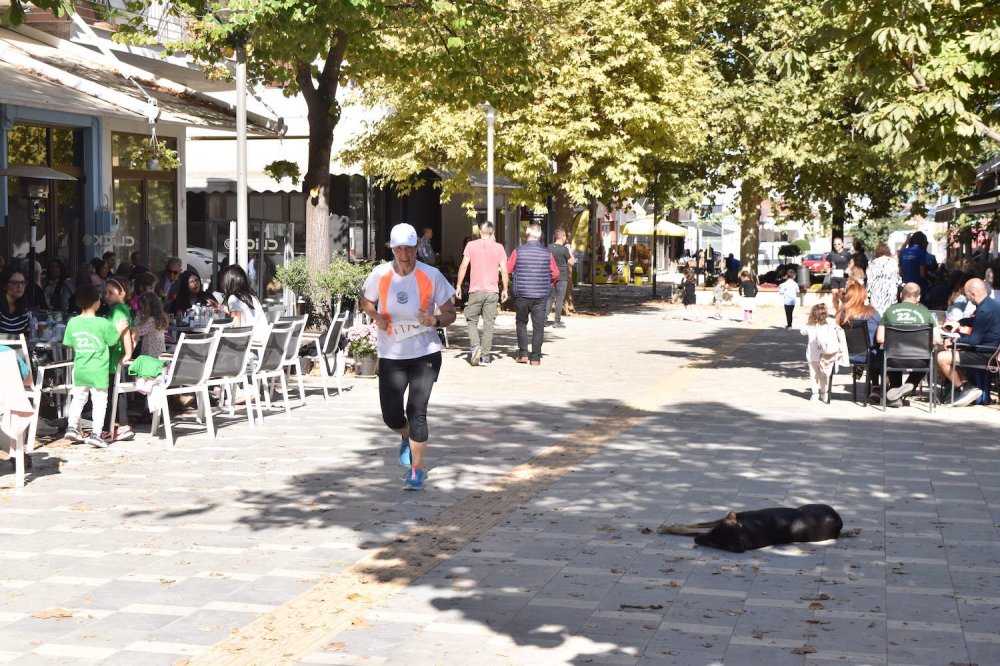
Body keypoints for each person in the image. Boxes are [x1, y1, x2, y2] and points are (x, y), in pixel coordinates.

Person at [359, 223, 456, 491]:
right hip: (391, 353)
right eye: (399, 248)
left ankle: (417, 471)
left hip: (425, 352)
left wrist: (434, 318)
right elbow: (365, 301)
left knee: (417, 411)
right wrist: (376, 316)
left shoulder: (431, 275)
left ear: (416, 248)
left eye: (409, 248)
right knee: (391, 415)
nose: (404, 254)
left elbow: (451, 313)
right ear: (391, 248)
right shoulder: (380, 274)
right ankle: (405, 435)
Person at [62, 284, 123, 448]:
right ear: (97, 302)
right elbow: (112, 341)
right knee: (100, 401)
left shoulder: (72, 322)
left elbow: (69, 344)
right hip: (99, 369)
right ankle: (96, 433)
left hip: (81, 368)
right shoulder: (103, 323)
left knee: (78, 398)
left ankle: (72, 427)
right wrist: (118, 329)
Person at [936, 278, 1000, 407]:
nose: (966, 297)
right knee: (941, 352)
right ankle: (960, 389)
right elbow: (973, 322)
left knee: (941, 357)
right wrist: (958, 323)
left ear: (972, 294)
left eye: (966, 294)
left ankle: (965, 388)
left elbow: (973, 340)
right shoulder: (990, 304)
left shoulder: (984, 310)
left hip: (984, 354)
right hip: (984, 349)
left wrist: (954, 341)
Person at [454, 220, 508, 366]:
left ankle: (475, 346)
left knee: (471, 320)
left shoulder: (471, 245)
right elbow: (504, 269)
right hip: (492, 292)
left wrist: (458, 286)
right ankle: (485, 356)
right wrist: (505, 289)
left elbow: (464, 266)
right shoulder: (499, 248)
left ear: (479, 232)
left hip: (475, 290)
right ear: (493, 233)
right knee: (489, 324)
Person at [877, 282, 940, 406]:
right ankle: (910, 384)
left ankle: (896, 393)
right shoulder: (925, 312)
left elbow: (880, 338)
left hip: (894, 359)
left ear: (901, 295)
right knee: (928, 359)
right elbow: (937, 339)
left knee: (891, 352)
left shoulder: (890, 310)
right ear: (919, 297)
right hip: (919, 360)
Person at [507, 223, 560, 365]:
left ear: (527, 235)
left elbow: (508, 268)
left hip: (522, 294)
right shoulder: (547, 253)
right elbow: (556, 273)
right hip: (541, 295)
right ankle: (535, 357)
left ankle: (523, 353)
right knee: (538, 326)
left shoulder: (518, 251)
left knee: (521, 323)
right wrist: (550, 283)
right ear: (540, 235)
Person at [101, 277, 134, 442]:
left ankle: (115, 426)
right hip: (115, 354)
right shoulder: (123, 308)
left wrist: (128, 352)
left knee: (113, 392)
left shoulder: (118, 310)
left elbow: (124, 331)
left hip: (113, 355)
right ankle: (121, 425)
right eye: (106, 292)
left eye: (110, 293)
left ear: (122, 293)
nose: (106, 296)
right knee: (116, 390)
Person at [836, 281, 882, 397]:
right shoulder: (872, 313)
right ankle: (877, 386)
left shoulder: (841, 314)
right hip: (869, 355)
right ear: (863, 296)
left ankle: (860, 368)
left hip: (847, 354)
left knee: (867, 346)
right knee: (880, 350)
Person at [218, 265, 269, 345]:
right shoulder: (252, 297)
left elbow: (236, 330)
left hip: (251, 348)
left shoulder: (233, 298)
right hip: (264, 344)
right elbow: (242, 312)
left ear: (228, 282)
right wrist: (219, 307)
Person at [800, 303, 839, 402]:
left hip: (812, 355)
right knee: (824, 375)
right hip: (825, 355)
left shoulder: (809, 325)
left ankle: (814, 394)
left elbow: (802, 332)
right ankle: (824, 393)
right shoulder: (828, 325)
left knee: (813, 375)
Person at [547, 228, 576, 328]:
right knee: (559, 299)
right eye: (565, 236)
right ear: (562, 237)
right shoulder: (564, 249)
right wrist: (570, 251)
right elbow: (571, 262)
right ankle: (557, 321)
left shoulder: (549, 248)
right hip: (562, 277)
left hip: (550, 276)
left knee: (549, 298)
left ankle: (543, 319)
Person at [866, 242, 902, 316]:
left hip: (877, 290)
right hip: (890, 290)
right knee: (889, 313)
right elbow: (898, 280)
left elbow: (870, 279)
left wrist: (868, 292)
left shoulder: (874, 263)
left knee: (877, 313)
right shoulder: (893, 262)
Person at [131, 292, 169, 361]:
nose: (141, 310)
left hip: (151, 355)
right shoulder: (158, 319)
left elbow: (137, 331)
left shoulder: (151, 321)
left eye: (142, 308)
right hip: (159, 353)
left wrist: (138, 317)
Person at [0, 268, 30, 336]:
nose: (20, 286)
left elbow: (26, 336)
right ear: (4, 286)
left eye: (22, 282)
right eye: (14, 283)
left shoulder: (23, 310)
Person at [825, 237, 852, 311]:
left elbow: (852, 262)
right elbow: (826, 263)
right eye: (835, 244)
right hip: (834, 276)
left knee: (841, 294)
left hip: (844, 277)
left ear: (842, 244)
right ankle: (837, 311)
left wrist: (849, 268)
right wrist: (827, 268)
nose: (837, 245)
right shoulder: (831, 254)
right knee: (834, 294)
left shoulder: (847, 253)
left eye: (839, 244)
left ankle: (844, 309)